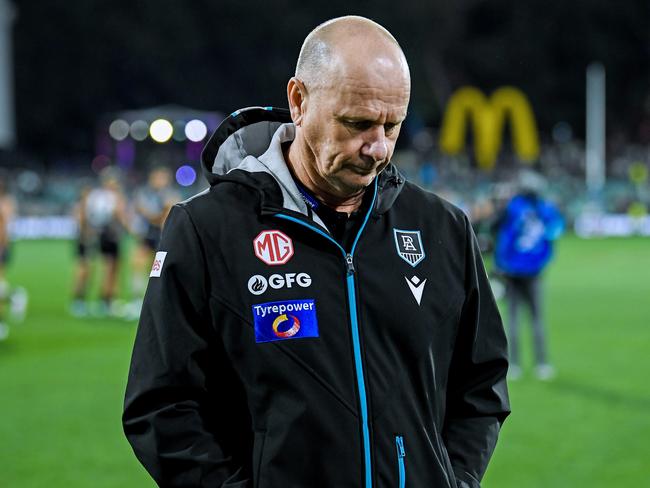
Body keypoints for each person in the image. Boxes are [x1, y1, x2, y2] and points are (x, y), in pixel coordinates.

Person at [124, 16, 510, 488]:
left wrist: (455, 481)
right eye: (359, 123)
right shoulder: (207, 229)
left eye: (393, 126)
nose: (379, 148)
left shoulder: (442, 228)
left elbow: (482, 383)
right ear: (299, 101)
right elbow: (161, 405)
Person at [493, 174, 564, 381]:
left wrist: (501, 263)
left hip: (512, 270)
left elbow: (501, 233)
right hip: (534, 271)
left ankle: (513, 364)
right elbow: (555, 232)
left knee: (513, 319)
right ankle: (542, 364)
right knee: (536, 319)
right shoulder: (546, 209)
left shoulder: (513, 208)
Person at [128, 166, 179, 318]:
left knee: (157, 271)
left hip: (162, 236)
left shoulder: (170, 194)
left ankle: (157, 302)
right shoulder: (144, 193)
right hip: (147, 234)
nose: (160, 181)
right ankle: (138, 301)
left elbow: (166, 213)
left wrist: (156, 214)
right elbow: (145, 212)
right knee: (138, 266)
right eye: (158, 177)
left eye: (163, 178)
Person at [82, 168, 129, 317]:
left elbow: (88, 214)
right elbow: (119, 214)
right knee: (110, 268)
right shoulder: (112, 197)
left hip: (98, 234)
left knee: (101, 267)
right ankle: (106, 300)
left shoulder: (95, 195)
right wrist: (132, 230)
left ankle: (89, 300)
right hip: (110, 235)